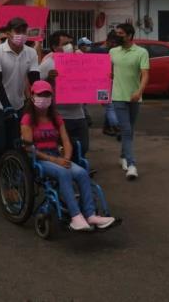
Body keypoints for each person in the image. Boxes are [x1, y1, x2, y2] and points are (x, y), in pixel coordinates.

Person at [20, 80, 116, 232]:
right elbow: (29, 148)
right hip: (40, 159)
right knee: (63, 173)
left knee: (82, 173)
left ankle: (90, 215)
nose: (44, 98)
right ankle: (76, 217)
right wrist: (55, 160)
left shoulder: (55, 117)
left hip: (58, 156)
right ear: (32, 96)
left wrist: (66, 157)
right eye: (40, 95)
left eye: (47, 95)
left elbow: (66, 140)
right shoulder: (27, 119)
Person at [0, 18, 39, 187]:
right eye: (17, 32)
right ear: (8, 33)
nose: (21, 36)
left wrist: (39, 98)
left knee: (14, 145)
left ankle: (8, 182)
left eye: (24, 32)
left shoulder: (30, 53)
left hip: (18, 104)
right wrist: (6, 106)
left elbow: (34, 78)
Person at [39, 31, 89, 160]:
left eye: (70, 43)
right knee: (66, 147)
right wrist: (48, 79)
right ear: (55, 47)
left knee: (84, 146)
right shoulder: (48, 64)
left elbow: (91, 76)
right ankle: (71, 171)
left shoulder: (79, 59)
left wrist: (106, 77)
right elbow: (36, 85)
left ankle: (77, 167)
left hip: (78, 113)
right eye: (65, 43)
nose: (70, 46)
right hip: (59, 115)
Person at [110, 23, 150, 180]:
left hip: (134, 97)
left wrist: (139, 91)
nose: (117, 35)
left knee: (129, 130)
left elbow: (145, 74)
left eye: (120, 33)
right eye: (116, 33)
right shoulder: (113, 51)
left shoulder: (141, 52)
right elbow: (108, 71)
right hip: (118, 97)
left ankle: (123, 156)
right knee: (126, 130)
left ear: (129, 35)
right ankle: (131, 164)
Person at [91, 31, 121, 136]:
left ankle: (108, 127)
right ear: (109, 41)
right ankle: (116, 126)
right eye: (114, 43)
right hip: (103, 84)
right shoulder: (106, 52)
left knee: (110, 106)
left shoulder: (94, 50)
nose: (116, 46)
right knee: (110, 106)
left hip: (103, 84)